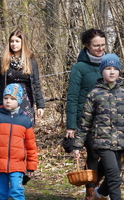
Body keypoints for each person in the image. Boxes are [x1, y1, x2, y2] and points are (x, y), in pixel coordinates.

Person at [73, 54, 123, 200]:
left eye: (115, 68)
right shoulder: (94, 94)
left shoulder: (123, 92)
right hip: (102, 141)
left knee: (115, 176)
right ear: (102, 71)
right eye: (108, 68)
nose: (112, 72)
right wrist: (77, 146)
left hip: (120, 141)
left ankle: (99, 193)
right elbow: (85, 122)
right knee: (114, 177)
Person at [65, 28, 106, 199]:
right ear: (87, 46)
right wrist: (71, 126)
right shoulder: (79, 68)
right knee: (93, 155)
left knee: (112, 155)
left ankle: (97, 188)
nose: (100, 49)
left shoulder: (110, 64)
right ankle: (90, 194)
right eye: (96, 45)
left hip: (107, 120)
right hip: (86, 119)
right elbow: (72, 97)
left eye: (103, 45)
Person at [0, 29, 45, 124]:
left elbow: (36, 84)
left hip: (25, 101)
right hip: (6, 100)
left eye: (17, 41)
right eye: (12, 41)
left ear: (22, 43)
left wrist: (40, 105)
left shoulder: (30, 61)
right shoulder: (2, 60)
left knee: (24, 130)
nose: (14, 44)